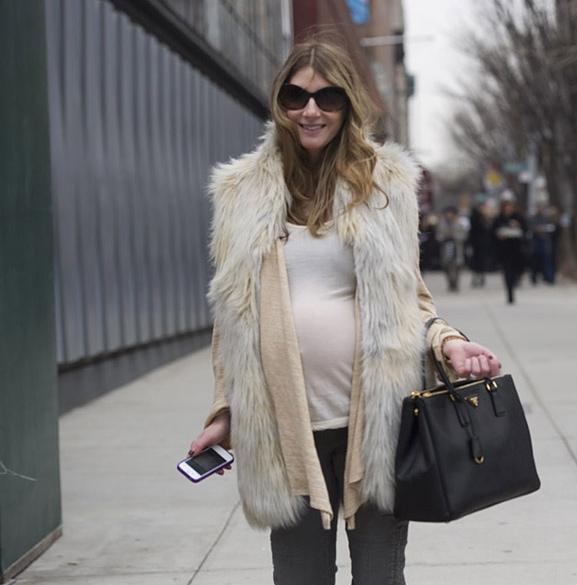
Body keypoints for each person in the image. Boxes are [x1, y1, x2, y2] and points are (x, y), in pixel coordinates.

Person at [188, 40, 502, 585]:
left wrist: (449, 343)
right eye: (297, 96)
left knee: (380, 577)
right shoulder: (241, 192)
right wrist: (225, 411)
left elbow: (412, 299)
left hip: (378, 426)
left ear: (348, 103)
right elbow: (232, 318)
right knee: (299, 578)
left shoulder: (384, 185)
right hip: (287, 430)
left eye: (327, 97)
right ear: (279, 104)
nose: (311, 110)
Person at [492, 190, 527, 304]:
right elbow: (493, 232)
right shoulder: (499, 218)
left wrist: (518, 226)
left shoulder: (518, 217)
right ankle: (510, 292)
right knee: (507, 272)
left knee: (516, 271)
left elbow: (525, 230)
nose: (508, 208)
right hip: (504, 250)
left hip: (516, 249)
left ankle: (515, 282)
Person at [436, 205, 467, 291]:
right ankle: (450, 282)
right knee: (446, 265)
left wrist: (455, 236)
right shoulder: (441, 223)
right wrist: (444, 237)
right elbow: (438, 235)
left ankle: (455, 283)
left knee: (457, 266)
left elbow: (464, 235)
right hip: (446, 246)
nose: (449, 215)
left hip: (457, 247)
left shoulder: (459, 223)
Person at [468, 195, 495, 288]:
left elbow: (490, 228)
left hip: (484, 242)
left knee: (482, 260)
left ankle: (481, 276)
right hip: (476, 242)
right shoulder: (475, 216)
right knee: (476, 261)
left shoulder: (485, 216)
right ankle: (476, 277)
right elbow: (475, 228)